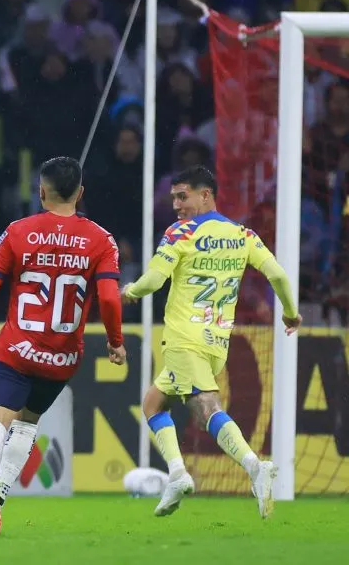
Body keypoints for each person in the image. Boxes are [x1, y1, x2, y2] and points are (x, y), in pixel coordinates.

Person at [0, 157, 126, 535]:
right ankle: (0, 495)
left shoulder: (19, 230)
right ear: (81, 193)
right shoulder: (101, 239)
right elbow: (111, 299)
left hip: (18, 349)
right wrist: (116, 342)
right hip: (62, 358)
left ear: (41, 191)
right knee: (28, 422)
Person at [121, 166, 301, 519]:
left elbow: (154, 280)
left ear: (206, 194)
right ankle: (177, 474)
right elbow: (278, 274)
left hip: (184, 339)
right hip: (218, 341)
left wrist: (130, 290)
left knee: (207, 408)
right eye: (173, 197)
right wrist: (291, 313)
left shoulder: (180, 233)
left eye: (182, 196)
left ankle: (254, 466)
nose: (176, 204)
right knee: (154, 403)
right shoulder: (243, 234)